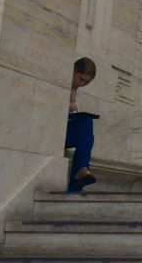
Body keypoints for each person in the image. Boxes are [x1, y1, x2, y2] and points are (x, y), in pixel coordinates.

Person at [65, 57, 98, 192]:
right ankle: (80, 174)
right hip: (50, 130)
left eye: (86, 82)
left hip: (65, 132)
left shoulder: (76, 91)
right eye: (81, 79)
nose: (82, 84)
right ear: (73, 71)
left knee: (86, 124)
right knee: (85, 124)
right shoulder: (58, 83)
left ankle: (81, 171)